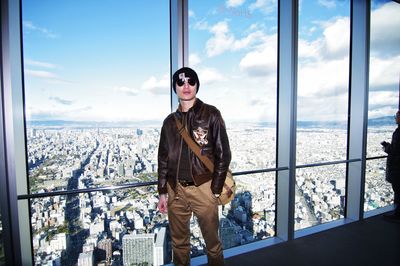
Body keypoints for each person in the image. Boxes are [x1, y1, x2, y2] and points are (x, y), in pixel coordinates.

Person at [157, 67, 231, 265]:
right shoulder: (169, 123)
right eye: (180, 83)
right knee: (179, 244)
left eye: (190, 81)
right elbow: (163, 159)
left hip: (204, 187)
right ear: (175, 88)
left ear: (197, 85)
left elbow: (224, 154)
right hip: (176, 190)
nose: (186, 86)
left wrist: (215, 189)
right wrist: (163, 192)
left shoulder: (211, 114)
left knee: (212, 243)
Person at [381, 110, 400, 222]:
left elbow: (395, 150)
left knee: (398, 190)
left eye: (396, 116)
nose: (395, 118)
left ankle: (397, 214)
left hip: (397, 167)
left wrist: (386, 147)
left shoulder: (398, 132)